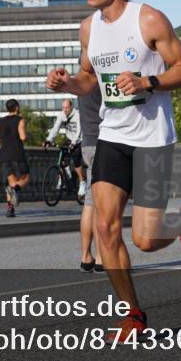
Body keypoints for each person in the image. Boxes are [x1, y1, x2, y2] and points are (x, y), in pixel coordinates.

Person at [46, 0, 181, 341]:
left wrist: (147, 81)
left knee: (146, 239)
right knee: (105, 227)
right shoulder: (88, 28)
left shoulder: (147, 18)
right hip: (112, 137)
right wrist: (67, 84)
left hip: (153, 140)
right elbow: (88, 80)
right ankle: (133, 314)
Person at [77, 87, 104, 272]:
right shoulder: (99, 80)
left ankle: (86, 257)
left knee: (89, 201)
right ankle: (102, 258)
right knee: (104, 203)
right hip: (104, 141)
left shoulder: (80, 85)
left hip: (86, 143)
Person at [0, 98, 29, 217]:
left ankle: (10, 209)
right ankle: (15, 189)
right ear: (17, 107)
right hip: (17, 154)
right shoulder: (20, 120)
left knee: (11, 182)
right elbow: (22, 137)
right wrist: (27, 135)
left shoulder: (0, 121)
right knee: (25, 178)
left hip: (5, 155)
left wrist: (4, 138)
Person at [45, 98, 87, 198]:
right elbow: (55, 128)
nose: (65, 110)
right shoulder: (62, 115)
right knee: (62, 159)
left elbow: (79, 131)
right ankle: (64, 178)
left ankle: (82, 182)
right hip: (69, 138)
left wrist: (73, 143)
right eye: (63, 107)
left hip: (79, 139)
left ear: (71, 107)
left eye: (67, 107)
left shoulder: (78, 115)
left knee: (76, 158)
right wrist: (49, 140)